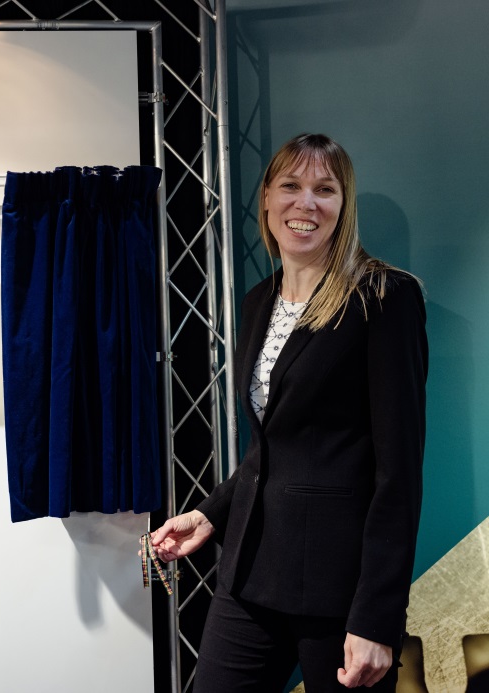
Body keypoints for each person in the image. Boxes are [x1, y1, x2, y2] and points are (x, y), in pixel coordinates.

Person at [146, 134, 427, 691]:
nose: (307, 204)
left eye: (325, 189)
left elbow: (399, 473)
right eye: (291, 186)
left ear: (343, 205)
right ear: (267, 200)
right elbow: (272, 449)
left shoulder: (382, 298)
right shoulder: (259, 300)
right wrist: (210, 514)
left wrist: (376, 618)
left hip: (338, 592)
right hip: (249, 576)